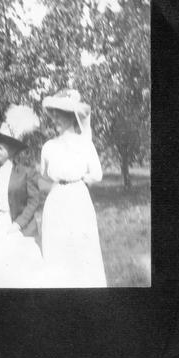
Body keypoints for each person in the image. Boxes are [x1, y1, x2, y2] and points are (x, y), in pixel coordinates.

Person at [40, 89, 107, 287]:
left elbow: (97, 174)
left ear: (71, 117)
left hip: (78, 197)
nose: (56, 119)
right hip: (56, 199)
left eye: (60, 115)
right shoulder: (48, 146)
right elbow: (44, 174)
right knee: (57, 247)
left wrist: (78, 179)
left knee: (80, 247)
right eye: (54, 116)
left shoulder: (85, 144)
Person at [0, 104, 43, 288]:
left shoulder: (26, 173)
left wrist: (18, 224)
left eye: (0, 149)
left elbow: (34, 201)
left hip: (18, 226)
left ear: (11, 152)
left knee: (20, 273)